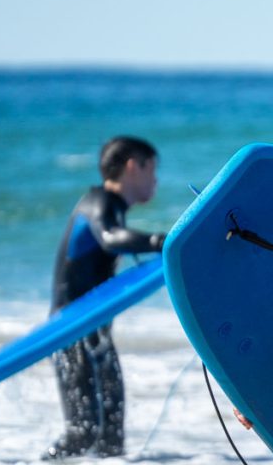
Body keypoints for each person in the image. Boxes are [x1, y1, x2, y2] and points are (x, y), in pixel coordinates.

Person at [44, 136, 167, 459]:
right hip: (69, 332)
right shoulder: (97, 202)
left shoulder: (114, 209)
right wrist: (160, 241)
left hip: (95, 332)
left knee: (112, 436)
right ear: (132, 167)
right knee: (83, 434)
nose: (156, 179)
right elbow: (112, 239)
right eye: (152, 169)